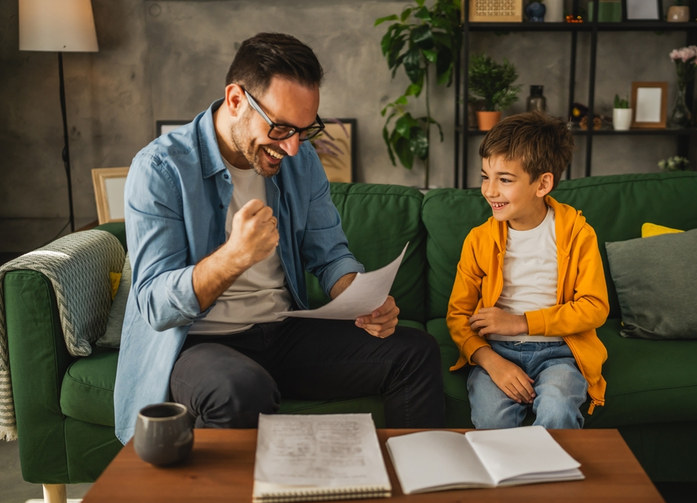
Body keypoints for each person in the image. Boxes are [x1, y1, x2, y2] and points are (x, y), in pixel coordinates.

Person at [113, 33, 445, 443]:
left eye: (304, 131)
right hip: (198, 344)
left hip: (282, 332)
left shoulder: (300, 159)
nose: (290, 148)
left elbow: (329, 253)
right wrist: (234, 257)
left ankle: (416, 487)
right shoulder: (160, 169)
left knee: (416, 351)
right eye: (281, 127)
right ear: (236, 100)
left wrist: (361, 297)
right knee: (240, 390)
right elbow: (154, 305)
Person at [446, 112, 609, 430]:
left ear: (543, 183)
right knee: (492, 420)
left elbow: (595, 307)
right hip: (497, 351)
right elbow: (458, 316)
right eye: (485, 176)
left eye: (505, 180)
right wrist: (490, 361)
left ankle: (550, 478)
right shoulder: (479, 239)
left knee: (558, 410)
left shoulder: (577, 233)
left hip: (561, 351)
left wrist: (521, 322)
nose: (490, 191)